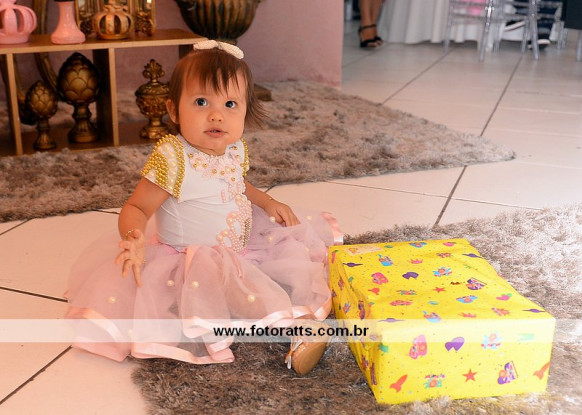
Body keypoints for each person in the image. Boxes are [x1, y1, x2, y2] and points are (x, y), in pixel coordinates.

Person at [64, 40, 342, 376]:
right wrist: (133, 236)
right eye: (201, 102)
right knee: (244, 295)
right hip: (192, 260)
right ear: (173, 110)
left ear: (245, 110)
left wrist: (267, 201)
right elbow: (137, 206)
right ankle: (297, 332)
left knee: (286, 262)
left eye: (230, 104)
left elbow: (237, 184)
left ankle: (288, 313)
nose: (216, 115)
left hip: (239, 248)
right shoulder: (173, 159)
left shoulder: (234, 148)